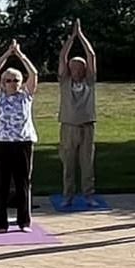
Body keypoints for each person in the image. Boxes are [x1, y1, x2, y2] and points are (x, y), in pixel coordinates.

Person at [0, 38, 39, 233]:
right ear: (3, 83)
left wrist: (20, 55)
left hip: (22, 143)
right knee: (1, 182)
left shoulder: (26, 95)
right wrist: (7, 55)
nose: (12, 83)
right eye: (8, 80)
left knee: (22, 182)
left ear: (21, 82)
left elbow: (33, 73)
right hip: (1, 142)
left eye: (16, 80)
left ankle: (23, 221)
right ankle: (1, 223)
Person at [57, 19, 98, 205]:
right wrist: (71, 38)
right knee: (68, 164)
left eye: (79, 67)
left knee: (87, 164)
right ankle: (68, 196)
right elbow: (62, 57)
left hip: (87, 126)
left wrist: (80, 36)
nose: (75, 70)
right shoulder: (65, 81)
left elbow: (91, 55)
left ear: (84, 69)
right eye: (72, 67)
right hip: (68, 126)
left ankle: (89, 196)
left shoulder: (89, 80)